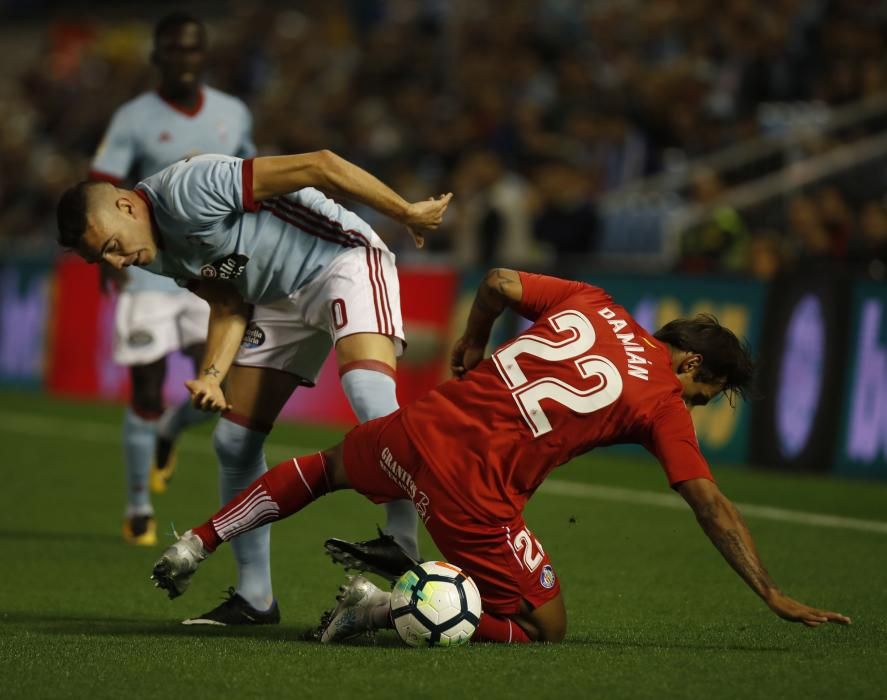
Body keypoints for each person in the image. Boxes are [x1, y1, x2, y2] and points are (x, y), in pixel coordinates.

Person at [147, 268, 850, 643]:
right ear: (690, 361)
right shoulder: (660, 399)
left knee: (323, 468)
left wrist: (473, 340)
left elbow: (499, 281)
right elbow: (707, 501)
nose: (693, 405)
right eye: (705, 392)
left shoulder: (591, 301)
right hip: (471, 490)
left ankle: (197, 542)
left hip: (416, 429)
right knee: (546, 626)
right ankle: (385, 610)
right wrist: (768, 592)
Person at [56, 152, 451, 625]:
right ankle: (255, 597)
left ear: (125, 206)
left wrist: (404, 211)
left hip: (341, 260)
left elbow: (320, 166)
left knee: (368, 392)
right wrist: (211, 377)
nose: (119, 261)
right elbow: (227, 305)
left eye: (114, 246)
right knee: (234, 441)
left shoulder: (190, 188)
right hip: (277, 302)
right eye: (105, 258)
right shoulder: (154, 251)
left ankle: (402, 544)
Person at [89, 12, 255, 546]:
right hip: (147, 270)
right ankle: (139, 506)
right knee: (145, 387)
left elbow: (251, 181)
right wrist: (103, 259)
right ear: (157, 56)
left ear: (203, 55)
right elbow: (101, 187)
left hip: (208, 270)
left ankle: (170, 430)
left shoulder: (234, 113)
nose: (184, 59)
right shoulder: (134, 117)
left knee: (222, 385)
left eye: (193, 50)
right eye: (174, 50)